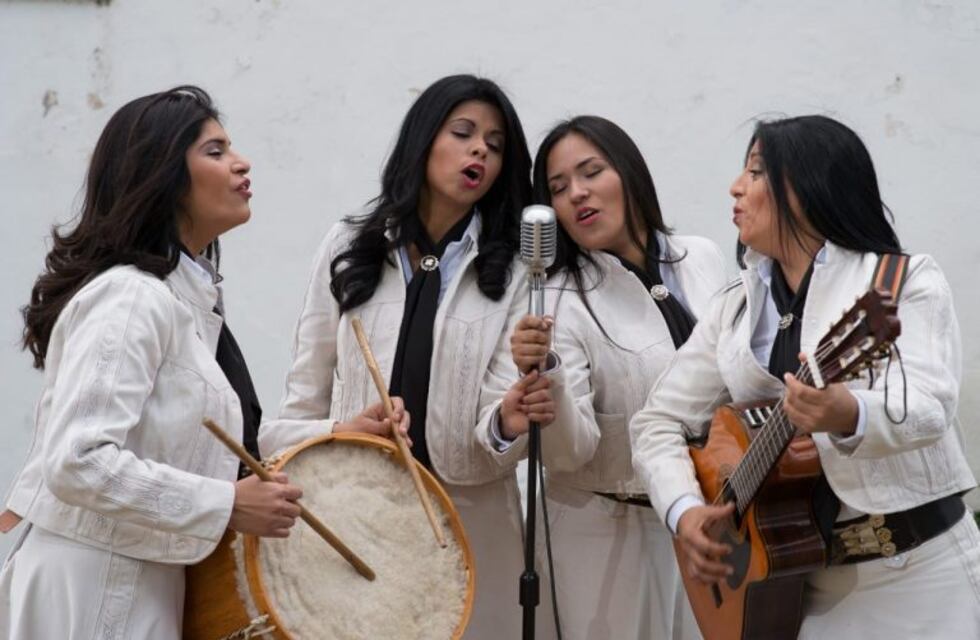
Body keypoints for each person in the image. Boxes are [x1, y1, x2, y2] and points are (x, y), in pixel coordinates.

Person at [0, 86, 398, 639]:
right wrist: (227, 504)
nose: (242, 162)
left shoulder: (189, 303)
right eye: (214, 151)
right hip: (94, 580)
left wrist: (337, 433)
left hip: (146, 578)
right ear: (161, 175)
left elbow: (205, 447)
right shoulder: (131, 296)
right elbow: (78, 460)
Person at [629, 115, 980, 638]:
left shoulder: (898, 280)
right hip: (798, 587)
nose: (735, 187)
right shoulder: (735, 308)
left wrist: (852, 412)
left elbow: (930, 405)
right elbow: (656, 422)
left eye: (754, 172)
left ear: (806, 187)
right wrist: (684, 510)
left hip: (919, 574)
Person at [257, 74, 534, 638]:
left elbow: (497, 433)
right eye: (463, 132)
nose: (480, 148)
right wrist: (334, 438)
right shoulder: (348, 244)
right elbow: (304, 393)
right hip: (359, 512)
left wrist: (507, 422)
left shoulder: (515, 270)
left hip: (471, 521)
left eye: (496, 143)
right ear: (424, 139)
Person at [477, 115, 726, 639]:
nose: (578, 194)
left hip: (715, 517)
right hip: (609, 532)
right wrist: (549, 378)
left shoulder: (700, 258)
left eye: (591, 172)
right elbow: (571, 452)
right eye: (559, 187)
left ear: (630, 172)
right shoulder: (558, 300)